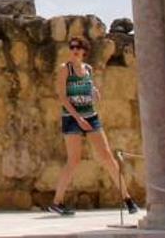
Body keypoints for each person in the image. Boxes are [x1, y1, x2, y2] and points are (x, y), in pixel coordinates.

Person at [46, 36, 139, 216]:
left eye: (78, 47)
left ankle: (127, 198)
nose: (75, 50)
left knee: (108, 157)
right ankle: (57, 201)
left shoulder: (88, 69)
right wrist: (77, 118)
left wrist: (94, 92)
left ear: (84, 50)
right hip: (72, 118)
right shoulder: (65, 69)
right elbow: (63, 97)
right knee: (73, 160)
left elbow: (89, 87)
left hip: (91, 116)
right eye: (72, 47)